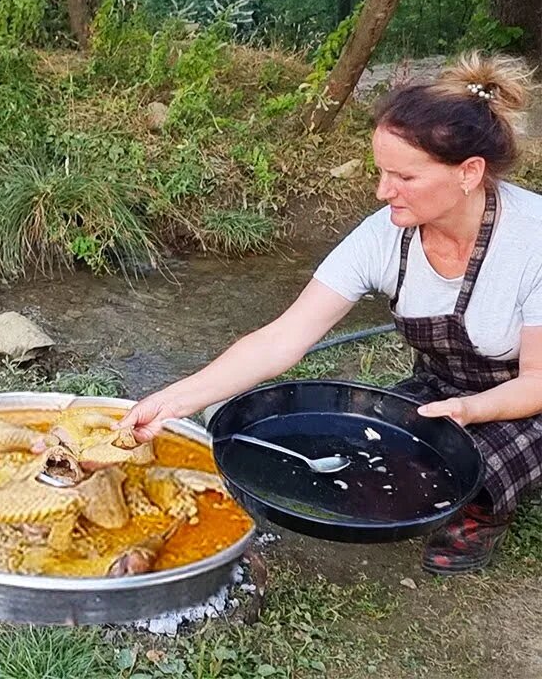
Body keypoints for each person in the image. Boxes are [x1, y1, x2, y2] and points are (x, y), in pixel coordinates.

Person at [117, 52, 540, 575]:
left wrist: (471, 412)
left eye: (404, 176)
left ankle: (483, 515)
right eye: (381, 172)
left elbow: (537, 380)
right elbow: (282, 338)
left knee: (475, 463)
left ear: (468, 173)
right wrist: (170, 402)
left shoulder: (531, 242)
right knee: (368, 449)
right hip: (442, 386)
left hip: (529, 395)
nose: (384, 192)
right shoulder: (385, 235)